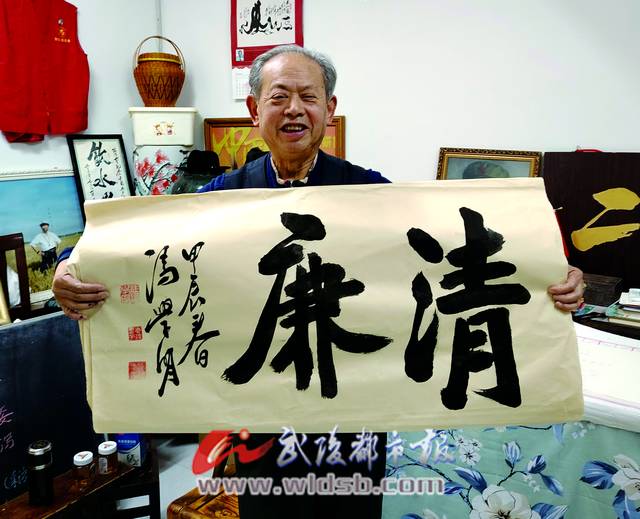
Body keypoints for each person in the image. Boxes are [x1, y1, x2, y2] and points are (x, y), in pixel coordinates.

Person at [52, 45, 585, 518]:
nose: (294, 109)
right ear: (254, 110)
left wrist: (549, 277)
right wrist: (72, 266)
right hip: (261, 417)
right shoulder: (219, 198)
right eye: (278, 96)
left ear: (330, 110)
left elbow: (447, 247)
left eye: (308, 97)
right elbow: (142, 244)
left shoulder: (369, 192)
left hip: (352, 413)